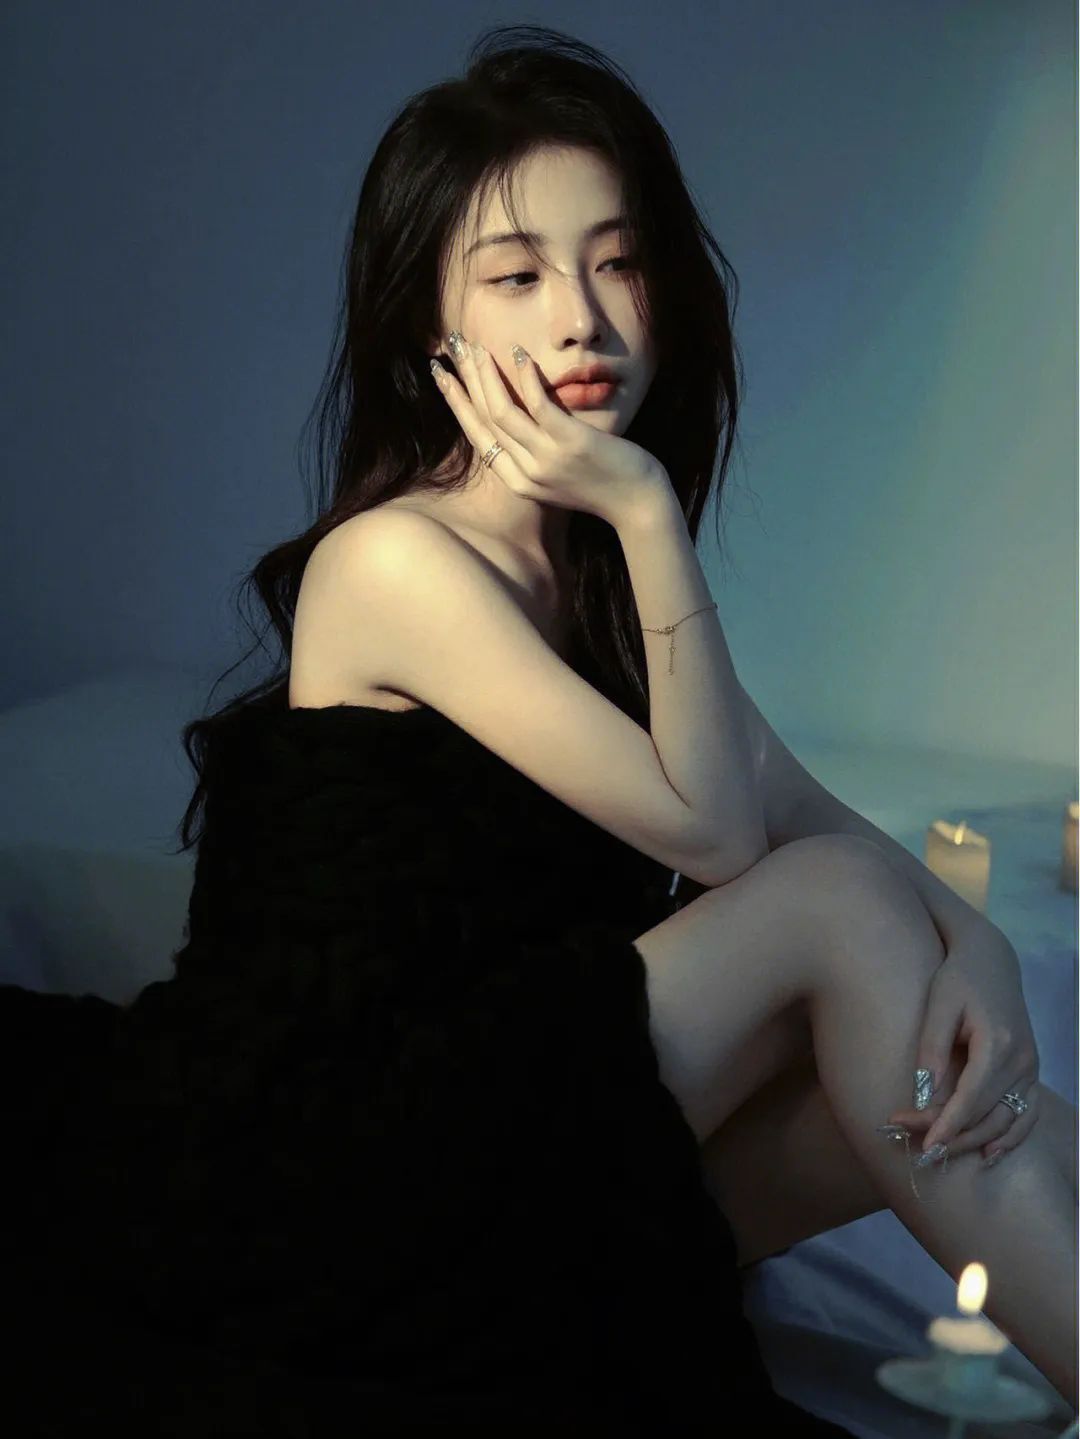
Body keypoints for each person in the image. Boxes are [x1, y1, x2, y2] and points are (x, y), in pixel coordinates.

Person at [2, 22, 1075, 1435]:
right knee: (836, 912)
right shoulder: (395, 562)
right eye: (517, 275)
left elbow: (814, 817)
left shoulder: (603, 589)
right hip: (329, 1178)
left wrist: (983, 950)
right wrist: (645, 508)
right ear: (426, 328)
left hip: (515, 1151)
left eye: (616, 262)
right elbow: (730, 840)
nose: (583, 318)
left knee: (944, 1086)